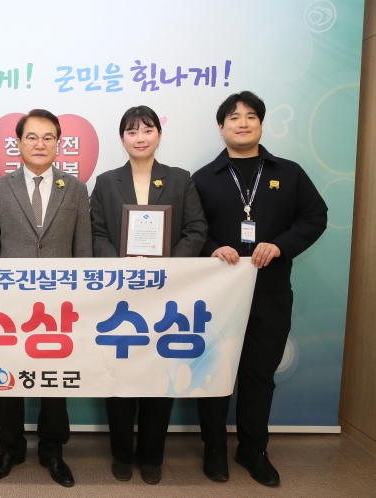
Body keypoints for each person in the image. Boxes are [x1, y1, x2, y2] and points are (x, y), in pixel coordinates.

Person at [192, 91, 327, 486]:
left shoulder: (290, 173)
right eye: (234, 117)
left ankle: (253, 449)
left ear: (261, 125)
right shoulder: (202, 178)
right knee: (213, 373)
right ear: (221, 128)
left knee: (259, 374)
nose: (243, 123)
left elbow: (315, 216)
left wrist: (281, 245)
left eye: (251, 116)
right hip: (216, 296)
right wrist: (211, 248)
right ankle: (214, 447)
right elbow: (190, 228)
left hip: (270, 291)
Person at [90, 105, 207, 484]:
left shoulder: (180, 179)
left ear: (158, 134)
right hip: (120, 297)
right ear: (122, 138)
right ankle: (122, 453)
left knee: (161, 374)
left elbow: (196, 230)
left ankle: (152, 455)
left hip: (165, 295)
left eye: (147, 129)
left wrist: (165, 266)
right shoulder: (106, 182)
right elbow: (96, 234)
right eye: (131, 131)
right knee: (119, 376)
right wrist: (122, 263)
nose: (140, 138)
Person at [0, 109, 92, 487]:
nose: (40, 144)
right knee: (7, 379)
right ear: (18, 143)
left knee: (54, 381)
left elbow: (84, 251)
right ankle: (9, 449)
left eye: (48, 137)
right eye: (31, 136)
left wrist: (81, 299)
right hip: (9, 306)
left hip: (59, 307)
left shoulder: (75, 188)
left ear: (59, 143)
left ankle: (53, 451)